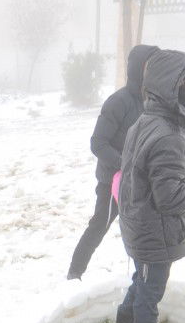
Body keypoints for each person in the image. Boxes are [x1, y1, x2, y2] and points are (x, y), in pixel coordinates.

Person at [115, 49, 185, 323]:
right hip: (153, 231)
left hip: (139, 224)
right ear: (177, 85)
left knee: (140, 281)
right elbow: (170, 197)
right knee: (150, 289)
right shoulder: (168, 135)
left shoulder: (145, 121)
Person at [66, 44, 160, 280]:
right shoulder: (118, 102)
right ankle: (74, 273)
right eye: (150, 67)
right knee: (100, 225)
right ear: (138, 69)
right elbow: (98, 143)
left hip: (140, 181)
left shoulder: (152, 102)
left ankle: (144, 279)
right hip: (113, 181)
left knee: (143, 230)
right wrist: (125, 164)